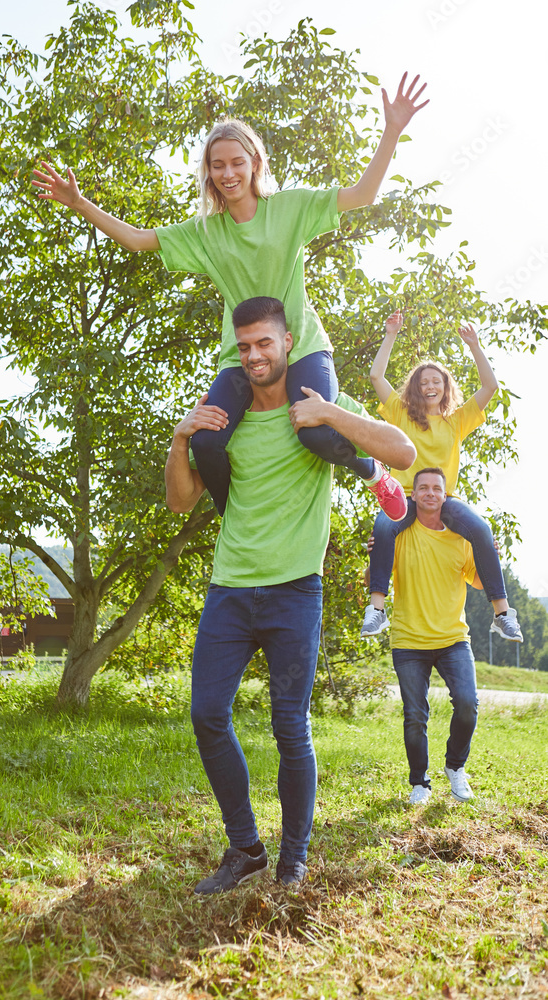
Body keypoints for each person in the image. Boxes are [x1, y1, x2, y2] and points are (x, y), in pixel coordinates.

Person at [33, 74, 429, 520]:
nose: (227, 174)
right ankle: (232, 521)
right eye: (216, 166)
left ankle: (372, 470)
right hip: (241, 358)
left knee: (314, 433)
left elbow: (363, 194)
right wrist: (80, 203)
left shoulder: (292, 207)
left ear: (255, 162)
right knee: (205, 442)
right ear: (208, 173)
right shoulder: (205, 234)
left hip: (301, 348)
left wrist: (392, 128)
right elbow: (138, 239)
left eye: (236, 162)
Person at [165, 296, 415, 894]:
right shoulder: (224, 420)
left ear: (285, 344)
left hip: (295, 592)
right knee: (206, 716)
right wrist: (179, 442)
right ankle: (246, 847)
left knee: (289, 728)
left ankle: (292, 860)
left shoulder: (317, 407)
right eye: (244, 346)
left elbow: (403, 452)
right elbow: (179, 501)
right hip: (230, 587)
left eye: (265, 344)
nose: (254, 356)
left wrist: (334, 414)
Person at [360, 310, 523, 643]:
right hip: (403, 497)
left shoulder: (456, 421)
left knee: (480, 529)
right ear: (416, 390)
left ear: (445, 387)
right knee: (382, 529)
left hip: (444, 499)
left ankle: (502, 613)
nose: (430, 386)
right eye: (424, 382)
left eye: (436, 381)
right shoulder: (400, 414)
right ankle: (377, 608)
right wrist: (390, 334)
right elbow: (377, 377)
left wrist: (475, 346)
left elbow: (490, 386)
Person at [377, 467, 482, 805]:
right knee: (415, 716)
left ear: (445, 495)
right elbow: (375, 576)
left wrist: (486, 551)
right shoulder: (398, 535)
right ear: (414, 494)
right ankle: (419, 782)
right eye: (423, 487)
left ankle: (455, 767)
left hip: (453, 639)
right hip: (409, 642)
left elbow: (479, 581)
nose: (430, 493)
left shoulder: (461, 537)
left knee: (467, 704)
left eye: (437, 488)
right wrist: (374, 552)